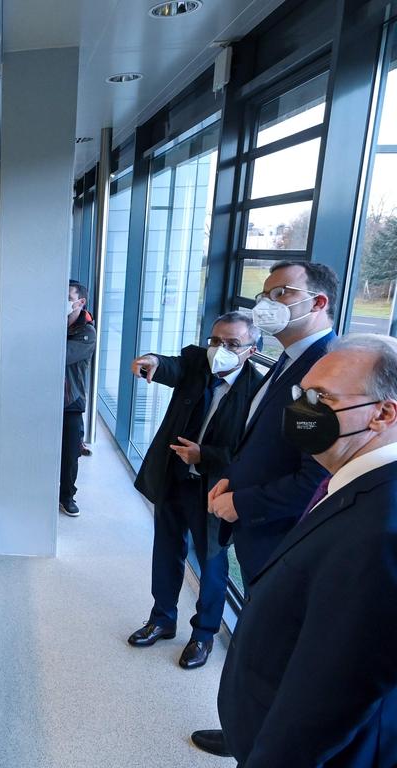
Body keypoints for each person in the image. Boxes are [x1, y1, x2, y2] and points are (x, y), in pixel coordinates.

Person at [217, 334, 397, 766]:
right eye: (301, 395)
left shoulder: (382, 530)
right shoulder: (349, 482)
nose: (302, 410)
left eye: (321, 398)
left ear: (383, 413)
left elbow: (336, 690)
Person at [192, 261, 336, 757]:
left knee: (268, 651)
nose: (267, 303)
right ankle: (241, 731)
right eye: (266, 291)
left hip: (279, 535)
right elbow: (264, 444)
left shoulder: (322, 372)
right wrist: (231, 474)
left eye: (283, 292)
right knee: (255, 641)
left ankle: (253, 740)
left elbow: (313, 478)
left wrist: (241, 502)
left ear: (317, 303)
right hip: (257, 528)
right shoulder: (289, 360)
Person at [128, 312, 263, 669]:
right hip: (174, 478)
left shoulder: (258, 392)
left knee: (212, 564)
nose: (221, 349)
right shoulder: (197, 365)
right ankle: (162, 619)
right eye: (216, 341)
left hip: (213, 488)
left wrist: (205, 455)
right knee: (166, 550)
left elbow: (249, 451)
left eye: (232, 344)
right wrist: (152, 361)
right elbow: (170, 364)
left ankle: (203, 635)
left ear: (250, 350)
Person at [60, 280, 96, 517]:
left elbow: (59, 355)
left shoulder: (86, 332)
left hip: (70, 401)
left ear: (80, 302)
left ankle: (67, 496)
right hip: (41, 398)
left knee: (70, 453)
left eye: (67, 297)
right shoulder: (51, 323)